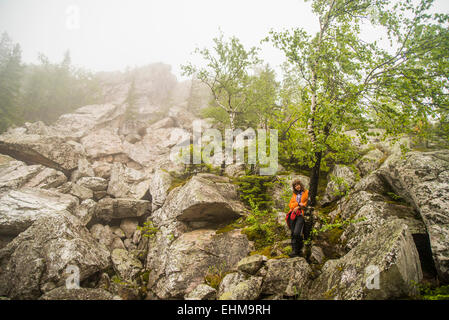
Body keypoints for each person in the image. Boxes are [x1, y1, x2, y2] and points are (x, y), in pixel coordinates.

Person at [285, 179, 309, 257]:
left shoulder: (306, 192)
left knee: (296, 232)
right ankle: (294, 251)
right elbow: (290, 205)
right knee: (292, 233)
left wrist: (298, 207)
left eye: (298, 185)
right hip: (293, 214)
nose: (297, 187)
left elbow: (306, 203)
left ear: (301, 184)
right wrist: (298, 204)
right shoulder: (294, 194)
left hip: (301, 215)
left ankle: (299, 249)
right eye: (295, 186)